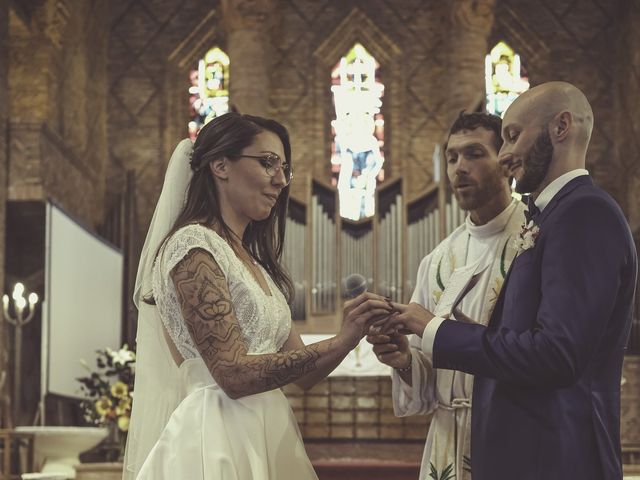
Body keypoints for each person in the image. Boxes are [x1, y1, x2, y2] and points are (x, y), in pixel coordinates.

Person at [379, 82, 637, 480]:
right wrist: (407, 359)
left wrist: (435, 329)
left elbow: (557, 354)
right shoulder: (449, 255)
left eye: (511, 137)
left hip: (549, 450)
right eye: (450, 157)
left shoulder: (579, 214)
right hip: (489, 443)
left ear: (560, 127)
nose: (505, 155)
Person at [123, 112, 392, 479]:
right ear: (220, 165)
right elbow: (231, 374)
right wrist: (340, 339)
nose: (280, 180)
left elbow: (304, 374)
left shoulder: (253, 264)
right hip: (216, 434)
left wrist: (353, 332)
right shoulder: (193, 246)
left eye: (284, 168)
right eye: (267, 163)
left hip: (266, 428)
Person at [367, 111, 526, 480]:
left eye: (474, 154)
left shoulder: (533, 237)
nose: (459, 168)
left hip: (510, 429)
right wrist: (405, 358)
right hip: (447, 434)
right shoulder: (437, 260)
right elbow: (425, 377)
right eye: (452, 158)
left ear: (505, 162)